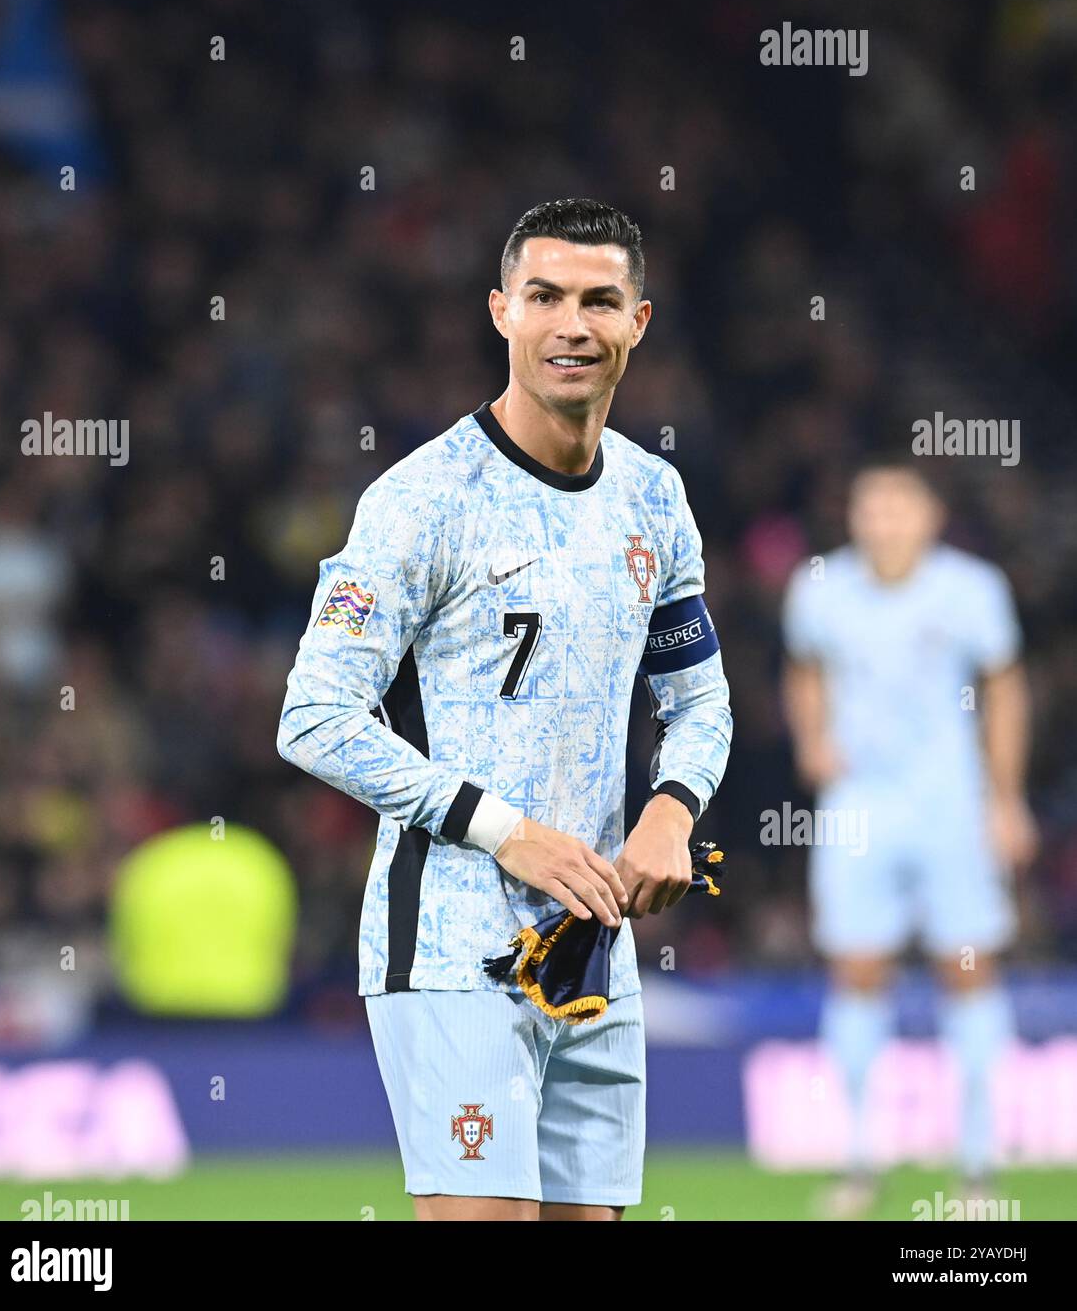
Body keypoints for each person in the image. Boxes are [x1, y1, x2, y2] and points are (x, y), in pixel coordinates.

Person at [277, 197, 732, 1221]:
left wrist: (674, 805)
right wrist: (508, 831)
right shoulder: (422, 500)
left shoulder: (655, 498)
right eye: (546, 296)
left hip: (593, 949)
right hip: (449, 943)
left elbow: (699, 699)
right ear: (502, 312)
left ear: (639, 322)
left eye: (600, 300)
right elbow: (313, 715)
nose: (573, 323)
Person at [781, 462, 1038, 1216]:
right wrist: (813, 738)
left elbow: (1004, 688)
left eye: (900, 507)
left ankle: (980, 1168)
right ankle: (860, 1162)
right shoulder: (819, 588)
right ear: (854, 516)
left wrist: (1006, 798)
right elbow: (803, 670)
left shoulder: (972, 589)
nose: (885, 521)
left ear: (931, 516)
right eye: (872, 507)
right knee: (858, 970)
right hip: (860, 808)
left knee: (970, 970)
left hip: (951, 805)